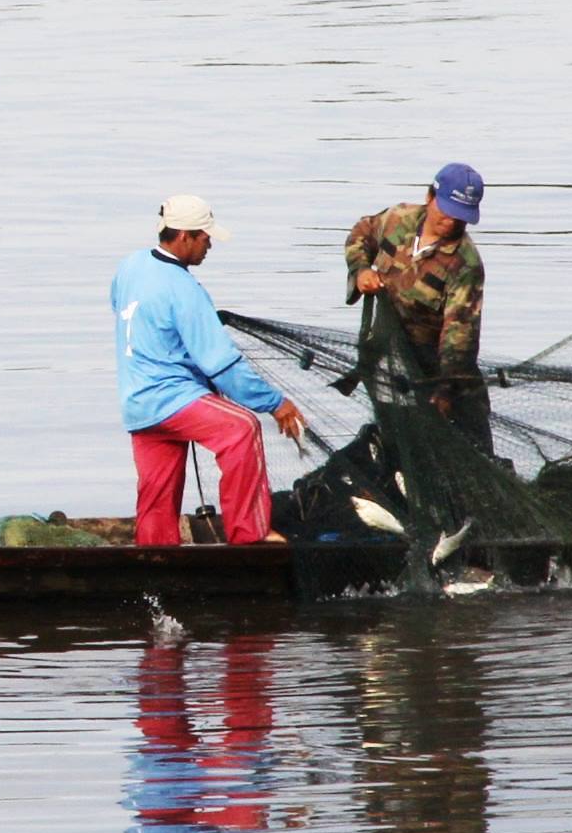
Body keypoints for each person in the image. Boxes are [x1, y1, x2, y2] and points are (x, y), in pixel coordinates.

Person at [113, 194, 309, 548]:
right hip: (173, 397)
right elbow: (222, 365)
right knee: (241, 428)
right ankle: (250, 535)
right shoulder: (184, 288)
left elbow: (127, 310)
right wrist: (275, 403)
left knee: (157, 491)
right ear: (185, 236)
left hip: (137, 403)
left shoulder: (130, 266)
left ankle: (155, 556)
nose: (209, 246)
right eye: (206, 238)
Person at [341, 161, 492, 452]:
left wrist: (446, 390)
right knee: (396, 442)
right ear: (430, 197)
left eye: (461, 217)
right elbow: (360, 234)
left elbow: (459, 335)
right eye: (447, 211)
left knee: (461, 450)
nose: (452, 222)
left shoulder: (466, 263)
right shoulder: (398, 218)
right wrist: (361, 271)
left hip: (437, 367)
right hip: (387, 357)